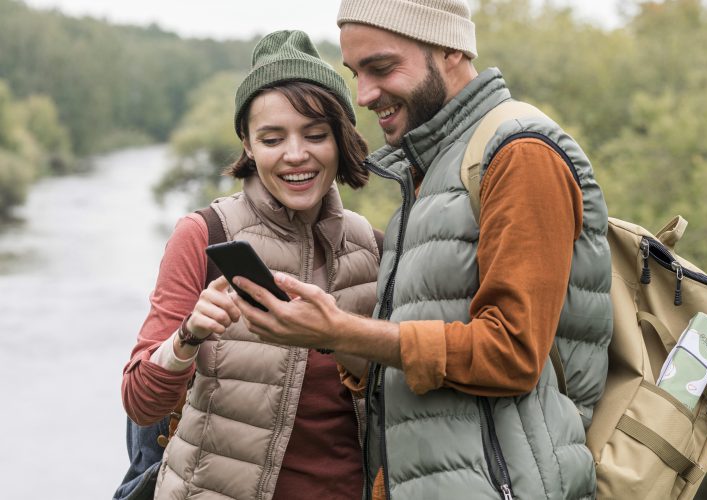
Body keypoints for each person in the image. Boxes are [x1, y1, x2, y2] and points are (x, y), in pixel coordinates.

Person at [232, 1, 614, 499]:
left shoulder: (520, 153)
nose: (364, 95)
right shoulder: (431, 171)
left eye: (382, 68)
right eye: (355, 73)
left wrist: (343, 327)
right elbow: (422, 364)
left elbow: (513, 355)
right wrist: (325, 333)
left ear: (451, 47)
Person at [119, 30, 381, 500]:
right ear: (248, 143)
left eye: (316, 135)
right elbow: (140, 404)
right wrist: (188, 336)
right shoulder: (204, 235)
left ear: (342, 138)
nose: (295, 155)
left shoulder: (373, 249)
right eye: (272, 138)